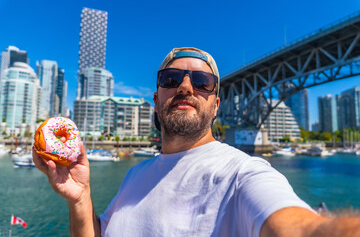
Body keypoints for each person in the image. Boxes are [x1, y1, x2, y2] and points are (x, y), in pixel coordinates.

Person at [33, 47, 360, 237]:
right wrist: (80, 198)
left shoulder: (243, 174)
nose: (186, 87)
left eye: (203, 81)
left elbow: (298, 227)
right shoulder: (135, 175)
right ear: (156, 99)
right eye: (172, 79)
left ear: (216, 104)